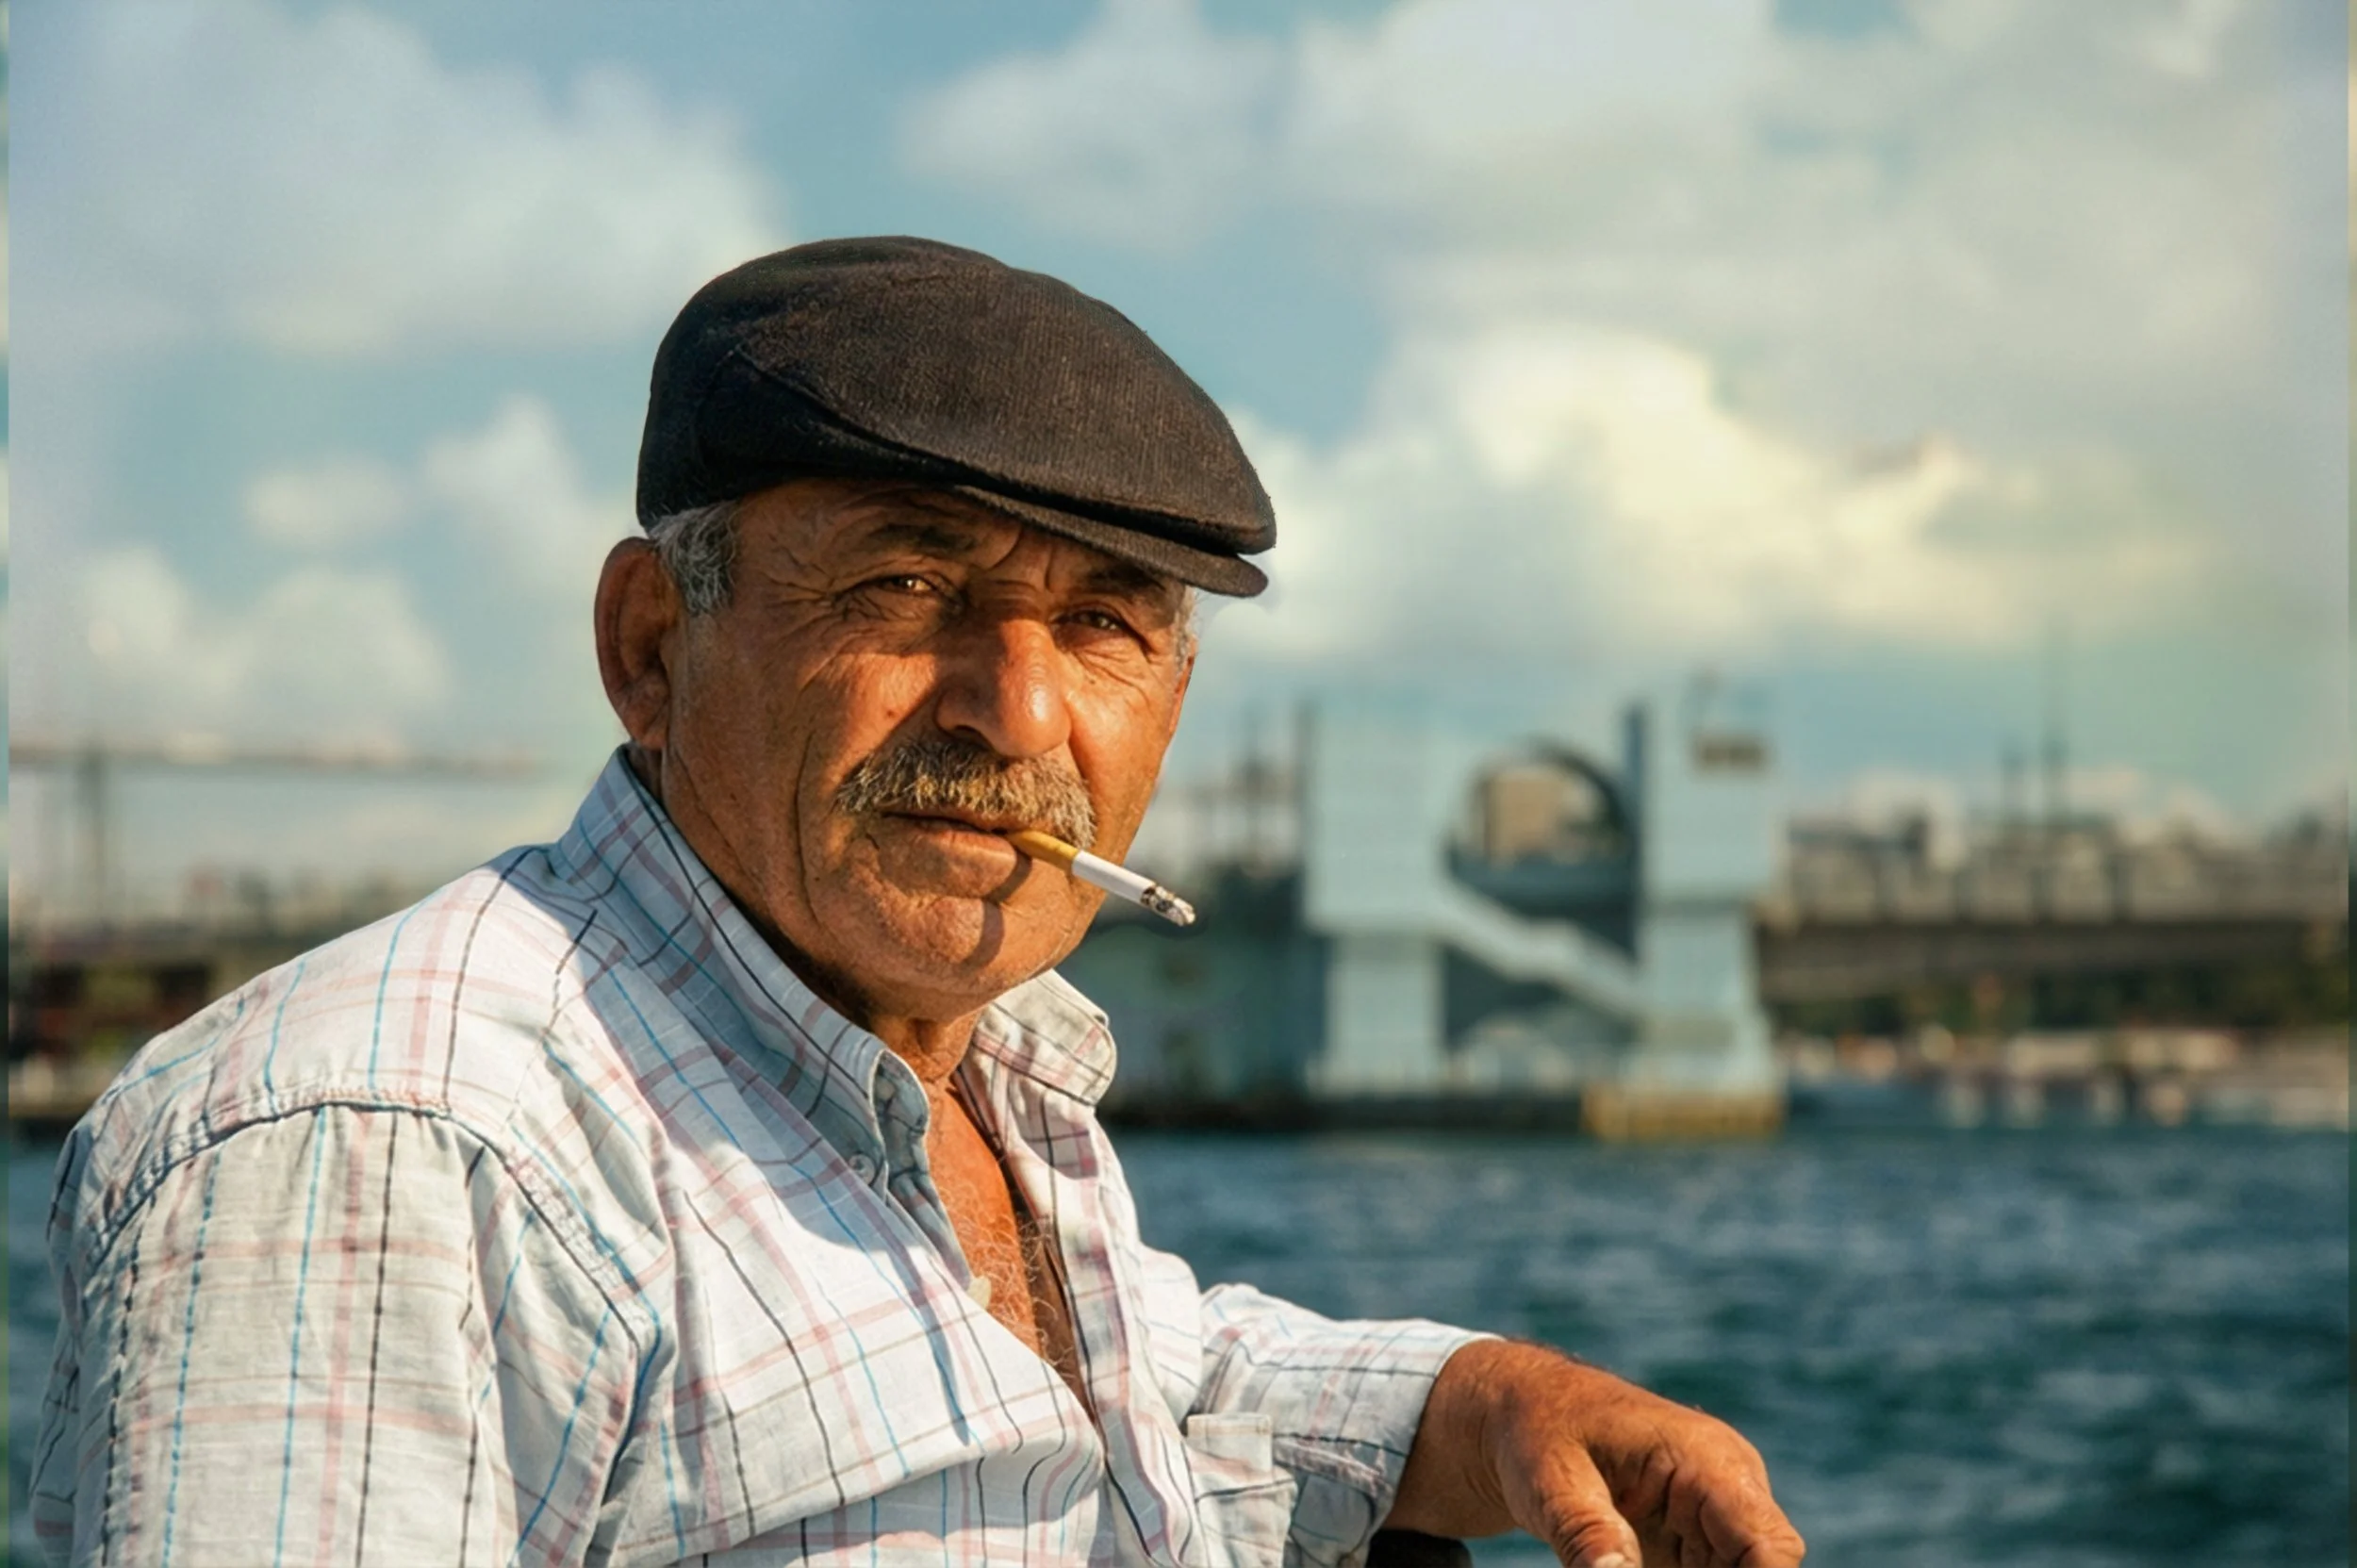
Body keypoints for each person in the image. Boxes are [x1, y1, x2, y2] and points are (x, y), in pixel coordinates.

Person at [31, 238, 1805, 1568]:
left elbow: (1113, 1389)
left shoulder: (974, 1061)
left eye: (1104, 623)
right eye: (904, 582)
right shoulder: (382, 1145)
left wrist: (1483, 1402)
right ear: (653, 646)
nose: (1015, 713)